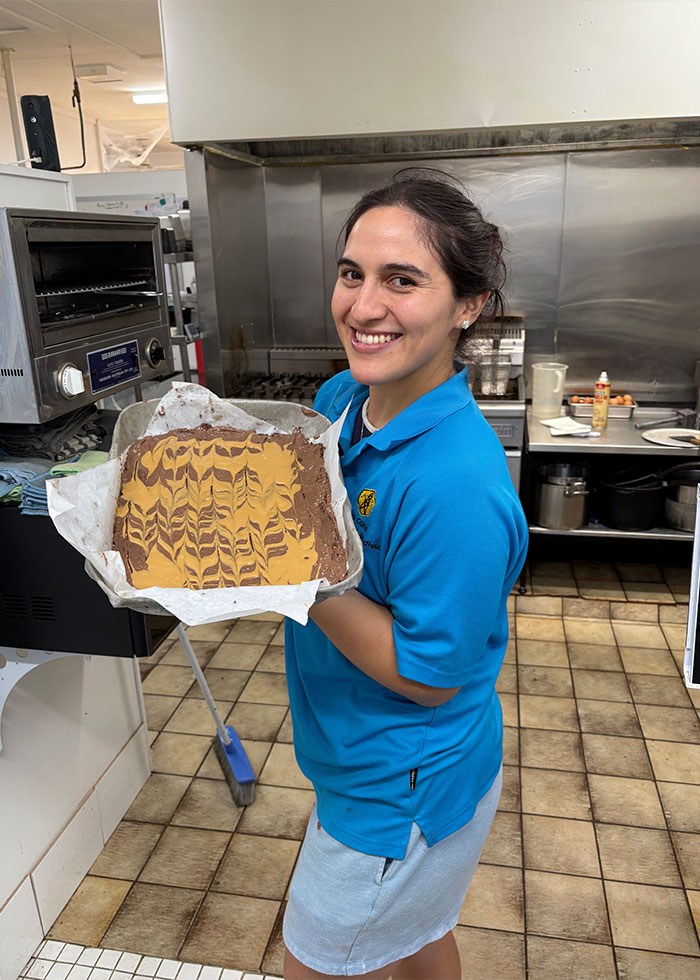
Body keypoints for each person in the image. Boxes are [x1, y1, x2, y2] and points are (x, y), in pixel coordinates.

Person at [282, 169, 528, 980]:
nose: (363, 306)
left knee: (315, 962)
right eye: (352, 273)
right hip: (357, 750)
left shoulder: (453, 481)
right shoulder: (343, 397)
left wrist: (297, 572)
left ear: (468, 305)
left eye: (402, 280)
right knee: (420, 937)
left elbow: (429, 677)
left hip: (400, 787)